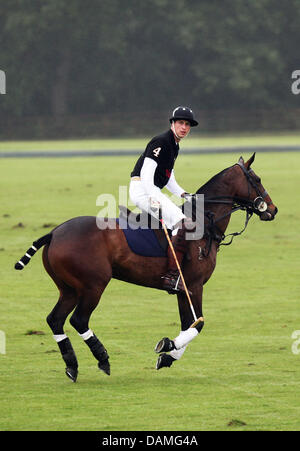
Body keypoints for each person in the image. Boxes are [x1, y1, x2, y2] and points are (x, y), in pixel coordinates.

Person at [129, 106, 199, 294]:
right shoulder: (161, 141)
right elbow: (146, 174)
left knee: (180, 222)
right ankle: (171, 277)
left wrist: (184, 195)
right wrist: (154, 199)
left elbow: (168, 178)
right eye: (181, 123)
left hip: (152, 189)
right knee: (183, 223)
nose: (184, 127)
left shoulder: (174, 145)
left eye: (187, 124)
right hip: (142, 189)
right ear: (172, 123)